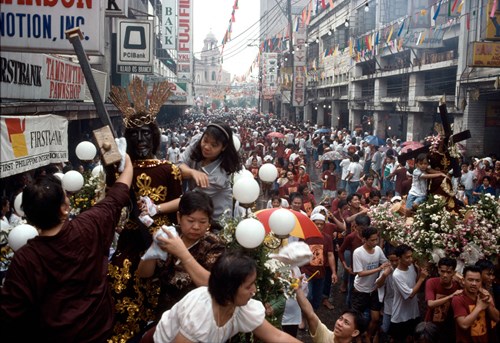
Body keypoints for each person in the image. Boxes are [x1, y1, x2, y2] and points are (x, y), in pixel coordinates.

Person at [0, 154, 133, 342]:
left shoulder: (24, 260)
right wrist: (125, 157)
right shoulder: (90, 224)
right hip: (101, 332)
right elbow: (119, 192)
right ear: (64, 208)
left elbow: (11, 316)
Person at [108, 77, 184, 340]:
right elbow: (112, 202)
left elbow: (181, 206)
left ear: (154, 136)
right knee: (119, 280)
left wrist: (156, 209)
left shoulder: (169, 169)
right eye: (134, 134)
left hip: (161, 240)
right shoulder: (119, 168)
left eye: (146, 133)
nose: (140, 139)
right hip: (130, 239)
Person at [142, 251, 300, 343]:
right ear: (229, 289)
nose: (254, 290)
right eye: (248, 286)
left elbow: (278, 336)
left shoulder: (242, 308)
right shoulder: (200, 312)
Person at [137, 191, 225, 315]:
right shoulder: (170, 235)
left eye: (202, 222)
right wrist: (154, 249)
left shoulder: (214, 244)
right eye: (190, 220)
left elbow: (212, 285)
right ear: (179, 217)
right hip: (164, 313)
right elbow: (143, 273)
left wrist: (182, 253)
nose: (196, 226)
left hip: (196, 314)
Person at [178, 122, 242, 221]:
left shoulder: (219, 175)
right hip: (194, 211)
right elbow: (178, 165)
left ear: (223, 147)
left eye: (214, 145)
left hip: (215, 220)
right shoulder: (197, 141)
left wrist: (157, 208)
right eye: (205, 140)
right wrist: (192, 172)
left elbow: (191, 200)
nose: (207, 147)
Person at [296, 280, 366, 343]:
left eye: (346, 322)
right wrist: (298, 288)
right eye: (340, 319)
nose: (339, 323)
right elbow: (310, 314)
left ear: (355, 332)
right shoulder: (325, 336)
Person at [351, 227, 390, 342]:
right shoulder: (358, 253)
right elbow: (360, 273)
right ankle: (357, 338)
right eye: (372, 240)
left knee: (376, 318)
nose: (375, 242)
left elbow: (385, 262)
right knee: (356, 318)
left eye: (376, 239)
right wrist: (378, 269)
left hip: (373, 290)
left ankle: (368, 334)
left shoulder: (378, 250)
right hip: (361, 290)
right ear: (364, 239)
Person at [390, 244, 428, 343]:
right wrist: (422, 279)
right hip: (400, 315)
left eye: (411, 256)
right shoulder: (397, 275)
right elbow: (410, 295)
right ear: (399, 258)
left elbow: (414, 283)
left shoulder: (410, 267)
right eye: (407, 257)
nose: (410, 259)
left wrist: (419, 273)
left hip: (413, 313)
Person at [451, 265, 499, 342]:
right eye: (470, 280)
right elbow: (464, 325)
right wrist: (479, 307)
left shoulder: (484, 295)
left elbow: (497, 318)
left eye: (477, 281)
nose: (474, 283)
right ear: (463, 281)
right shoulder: (458, 298)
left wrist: (488, 304)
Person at [425, 257, 462, 342]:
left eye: (449, 272)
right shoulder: (432, 282)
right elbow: (430, 304)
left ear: (454, 273)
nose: (445, 275)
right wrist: (451, 296)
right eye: (442, 271)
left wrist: (462, 280)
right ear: (438, 270)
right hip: (431, 326)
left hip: (449, 327)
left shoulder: (457, 285)